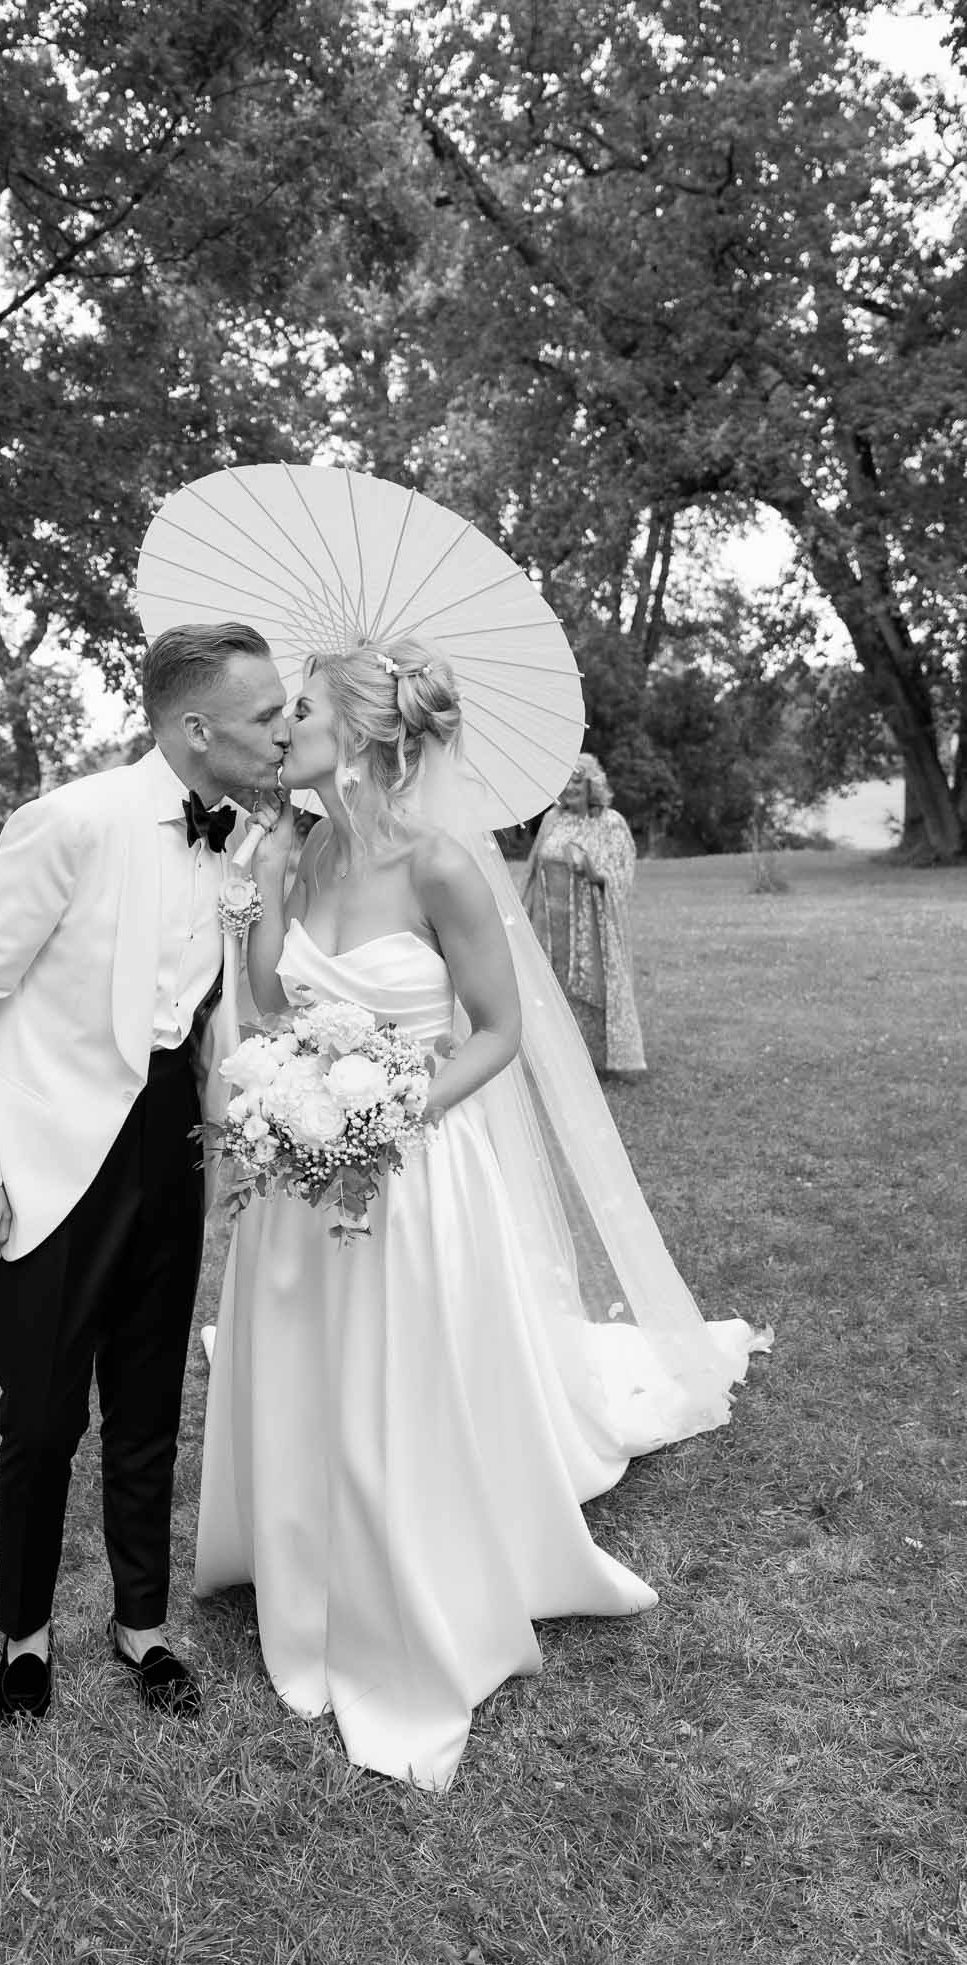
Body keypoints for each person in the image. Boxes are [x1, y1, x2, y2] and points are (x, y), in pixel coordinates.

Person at [194, 640, 764, 1791]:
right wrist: (261, 883)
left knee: (397, 1374)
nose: (279, 725)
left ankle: (407, 1568)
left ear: (360, 734)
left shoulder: (443, 865)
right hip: (302, 1165)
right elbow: (266, 1000)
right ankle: (300, 1543)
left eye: (300, 709)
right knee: (306, 1359)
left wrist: (393, 1111)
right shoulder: (302, 848)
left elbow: (498, 1031)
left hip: (409, 1167)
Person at [0, 623, 291, 1726]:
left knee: (147, 1401)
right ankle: (25, 1635)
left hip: (171, 1145)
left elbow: (210, 1012)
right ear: (196, 728)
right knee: (39, 1418)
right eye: (267, 715)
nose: (284, 731)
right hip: (52, 1158)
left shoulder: (240, 841)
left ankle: (143, 1626)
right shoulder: (71, 821)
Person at [522, 753, 646, 1074]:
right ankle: (554, 1056)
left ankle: (593, 1057)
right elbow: (534, 866)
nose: (570, 788)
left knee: (586, 986)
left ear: (592, 784)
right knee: (549, 984)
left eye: (577, 781)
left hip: (588, 926)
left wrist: (592, 872)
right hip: (548, 924)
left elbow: (622, 873)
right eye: (565, 781)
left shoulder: (610, 822)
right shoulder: (552, 819)